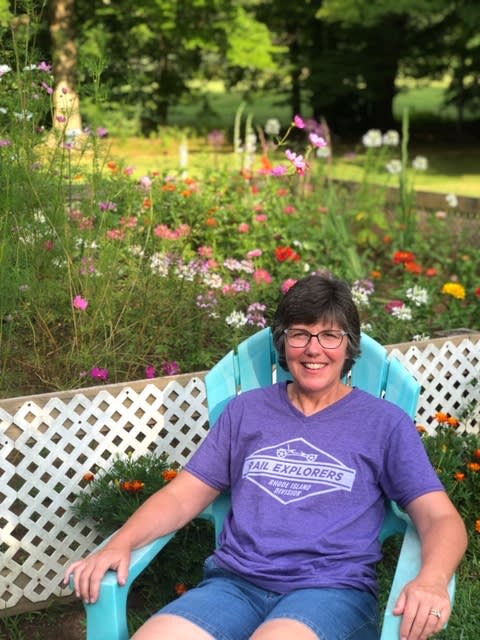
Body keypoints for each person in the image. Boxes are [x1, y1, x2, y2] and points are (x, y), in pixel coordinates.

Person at [65, 273, 467, 640]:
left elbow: (440, 517)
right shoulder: (246, 412)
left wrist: (431, 578)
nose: (314, 350)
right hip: (233, 586)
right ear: (282, 342)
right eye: (299, 334)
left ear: (350, 346)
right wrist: (122, 542)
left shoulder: (384, 423)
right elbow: (182, 495)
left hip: (329, 592)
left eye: (330, 335)